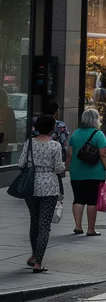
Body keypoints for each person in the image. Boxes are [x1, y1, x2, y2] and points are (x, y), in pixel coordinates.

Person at [20, 116, 66, 273]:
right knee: (44, 226)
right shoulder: (55, 145)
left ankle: (33, 255)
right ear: (52, 128)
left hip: (31, 187)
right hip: (49, 188)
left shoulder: (29, 143)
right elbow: (59, 168)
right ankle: (39, 262)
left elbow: (21, 164)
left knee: (34, 222)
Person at [68, 108, 106, 237]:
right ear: (96, 119)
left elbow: (69, 154)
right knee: (92, 201)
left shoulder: (75, 134)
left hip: (76, 173)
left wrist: (67, 168)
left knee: (78, 199)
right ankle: (91, 229)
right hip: (95, 173)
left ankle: (78, 226)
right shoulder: (98, 135)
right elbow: (104, 154)